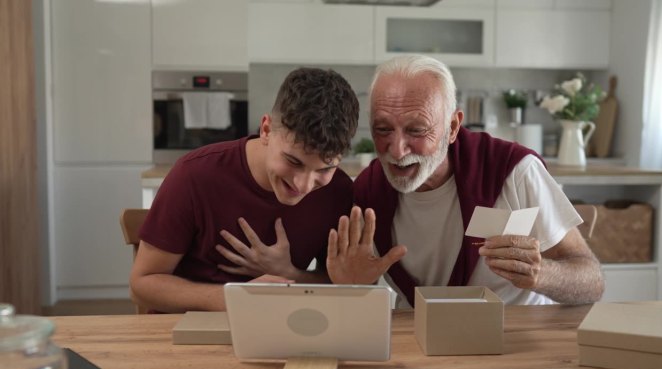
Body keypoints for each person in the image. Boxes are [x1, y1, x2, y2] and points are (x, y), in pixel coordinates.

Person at [325, 55, 605, 307]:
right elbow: (358, 298)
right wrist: (353, 286)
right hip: (417, 337)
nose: (397, 150)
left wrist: (541, 273)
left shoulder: (514, 170)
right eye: (383, 129)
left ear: (452, 127)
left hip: (515, 336)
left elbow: (592, 282)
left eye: (417, 130)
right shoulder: (367, 190)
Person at [130, 68, 359, 313]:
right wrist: (235, 298)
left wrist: (289, 274)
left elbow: (338, 285)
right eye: (293, 162)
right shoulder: (195, 174)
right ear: (266, 130)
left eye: (325, 169)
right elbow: (141, 285)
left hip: (281, 331)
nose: (304, 185)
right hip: (186, 332)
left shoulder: (338, 192)